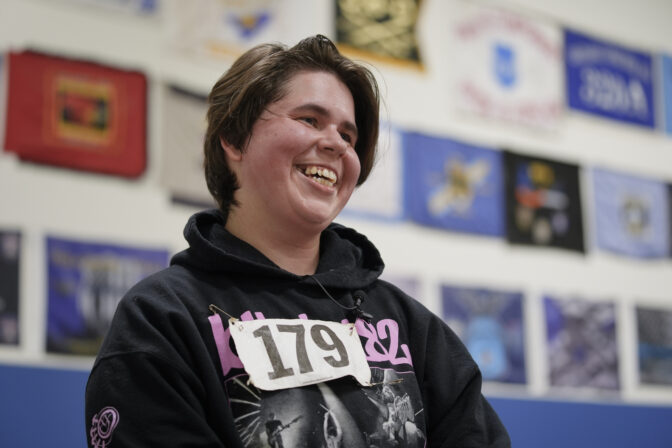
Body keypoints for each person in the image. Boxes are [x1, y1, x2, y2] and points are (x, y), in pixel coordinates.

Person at [85, 34, 510, 447]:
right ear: (234, 138)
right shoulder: (163, 318)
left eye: (349, 135)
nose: (336, 145)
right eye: (310, 120)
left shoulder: (410, 325)